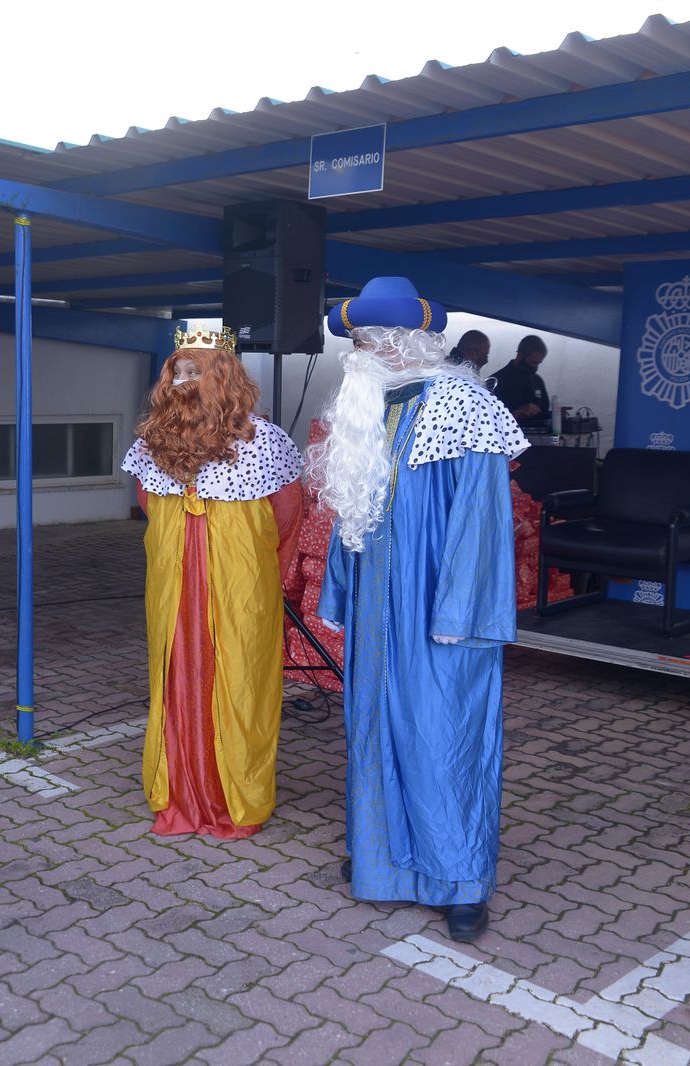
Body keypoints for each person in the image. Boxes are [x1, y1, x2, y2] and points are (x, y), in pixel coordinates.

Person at [311, 276, 526, 943]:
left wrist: (463, 612)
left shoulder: (464, 404)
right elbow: (353, 511)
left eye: (366, 341)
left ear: (400, 342)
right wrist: (340, 591)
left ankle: (460, 881)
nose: (357, 353)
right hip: (378, 611)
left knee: (441, 736)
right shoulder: (370, 403)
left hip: (437, 609)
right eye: (356, 341)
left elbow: (483, 521)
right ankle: (383, 862)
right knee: (375, 730)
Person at [122, 326, 304, 839]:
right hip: (175, 584)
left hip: (239, 583)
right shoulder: (154, 442)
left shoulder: (264, 442)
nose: (182, 381)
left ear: (222, 377)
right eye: (177, 372)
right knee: (177, 673)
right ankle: (179, 793)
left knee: (241, 679)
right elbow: (148, 504)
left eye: (193, 371)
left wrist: (261, 577)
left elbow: (287, 517)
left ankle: (234, 799)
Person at [488, 335, 551, 430]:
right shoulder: (496, 381)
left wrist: (555, 414)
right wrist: (516, 413)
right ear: (520, 355)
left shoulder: (537, 380)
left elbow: (543, 413)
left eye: (538, 363)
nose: (535, 367)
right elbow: (488, 418)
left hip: (538, 437)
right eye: (533, 362)